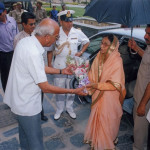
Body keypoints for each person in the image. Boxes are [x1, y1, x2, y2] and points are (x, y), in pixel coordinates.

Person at [3, 18, 88, 150]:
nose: (56, 39)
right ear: (47, 37)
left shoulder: (26, 42)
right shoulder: (33, 52)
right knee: (35, 142)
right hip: (27, 106)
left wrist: (61, 70)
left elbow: (39, 67)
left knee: (25, 137)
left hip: (18, 101)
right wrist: (74, 91)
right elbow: (45, 87)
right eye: (56, 36)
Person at [84, 35, 126, 150]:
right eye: (101, 43)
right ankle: (97, 143)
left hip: (110, 99)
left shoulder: (117, 61)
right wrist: (84, 79)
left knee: (107, 124)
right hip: (98, 95)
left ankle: (105, 145)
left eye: (105, 44)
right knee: (98, 121)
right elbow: (92, 74)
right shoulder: (99, 55)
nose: (101, 46)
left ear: (112, 46)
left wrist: (95, 85)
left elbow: (114, 85)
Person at [48, 10, 90, 120]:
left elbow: (87, 41)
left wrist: (80, 52)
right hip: (59, 65)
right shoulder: (56, 33)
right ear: (61, 22)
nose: (70, 24)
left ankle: (69, 108)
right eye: (67, 21)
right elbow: (50, 49)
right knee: (59, 88)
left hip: (72, 65)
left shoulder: (77, 32)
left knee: (71, 86)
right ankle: (59, 109)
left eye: (71, 21)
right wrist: (49, 64)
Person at [14, 12, 48, 121]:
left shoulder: (36, 36)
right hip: (27, 75)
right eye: (31, 24)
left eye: (34, 24)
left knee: (40, 94)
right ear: (24, 24)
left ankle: (40, 113)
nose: (33, 26)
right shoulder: (18, 38)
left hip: (38, 70)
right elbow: (18, 59)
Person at [128, 24, 150, 150]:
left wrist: (142, 104)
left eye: (149, 34)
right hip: (139, 95)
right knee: (141, 130)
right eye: (145, 32)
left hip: (145, 100)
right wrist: (136, 47)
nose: (145, 36)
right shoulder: (149, 46)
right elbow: (147, 59)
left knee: (139, 134)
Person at [0, 2, 19, 92]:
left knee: (17, 75)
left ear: (4, 11)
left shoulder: (12, 20)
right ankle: (8, 97)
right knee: (5, 76)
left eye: (0, 14)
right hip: (3, 55)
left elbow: (17, 36)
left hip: (15, 53)